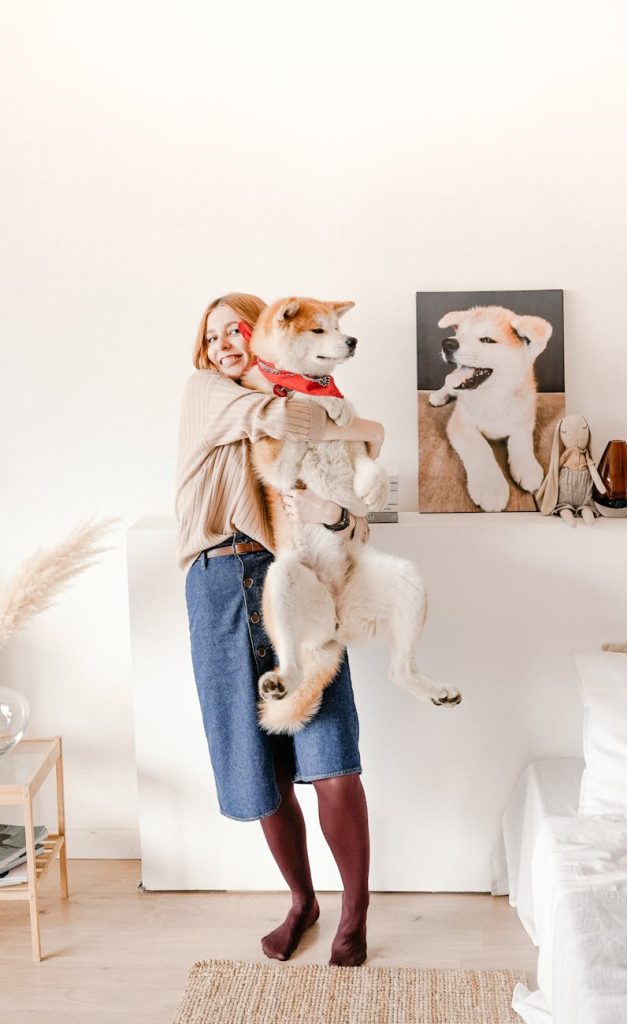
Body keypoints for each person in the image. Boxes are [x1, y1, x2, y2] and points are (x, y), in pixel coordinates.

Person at [175, 292, 385, 967]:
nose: (224, 344)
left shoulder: (294, 398)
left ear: (261, 331)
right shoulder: (209, 392)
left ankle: (354, 912)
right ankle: (302, 902)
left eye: (236, 329)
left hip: (295, 577)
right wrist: (360, 426)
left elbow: (352, 515)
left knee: (329, 753)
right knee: (256, 762)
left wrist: (339, 501)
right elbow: (292, 413)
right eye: (212, 337)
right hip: (219, 584)